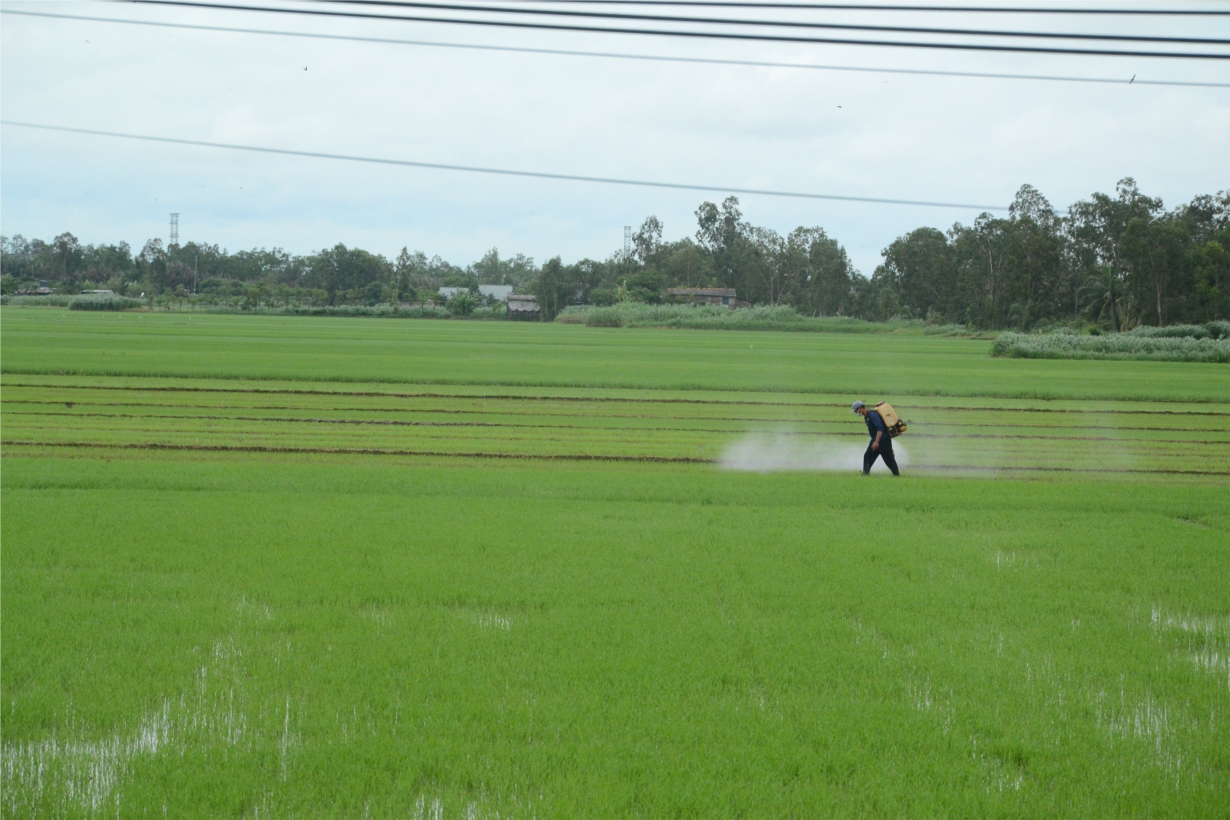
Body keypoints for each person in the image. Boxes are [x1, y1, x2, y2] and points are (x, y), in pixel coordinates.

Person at [852, 401, 900, 476]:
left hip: (883, 440)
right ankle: (865, 474)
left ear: (860, 408)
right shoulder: (866, 416)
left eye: (855, 411)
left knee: (888, 459)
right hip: (876, 439)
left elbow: (880, 428)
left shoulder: (872, 415)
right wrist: (875, 441)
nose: (856, 413)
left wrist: (876, 442)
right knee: (867, 456)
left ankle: (896, 475)